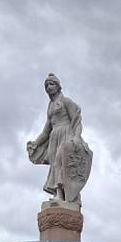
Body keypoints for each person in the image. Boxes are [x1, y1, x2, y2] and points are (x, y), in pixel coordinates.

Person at [27, 74, 92, 203]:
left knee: (61, 164)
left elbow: (77, 120)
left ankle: (66, 195)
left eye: (51, 84)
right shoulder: (50, 107)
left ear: (58, 86)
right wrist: (35, 144)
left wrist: (77, 137)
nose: (48, 87)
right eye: (46, 86)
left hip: (66, 134)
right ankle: (59, 194)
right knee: (55, 166)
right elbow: (46, 131)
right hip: (54, 137)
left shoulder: (65, 101)